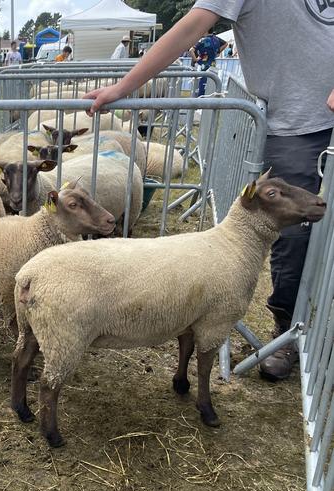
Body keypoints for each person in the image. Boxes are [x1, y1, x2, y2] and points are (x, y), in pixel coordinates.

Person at [84, 2, 334, 382]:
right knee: (296, 233)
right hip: (297, 123)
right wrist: (124, 86)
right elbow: (191, 27)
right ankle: (287, 330)